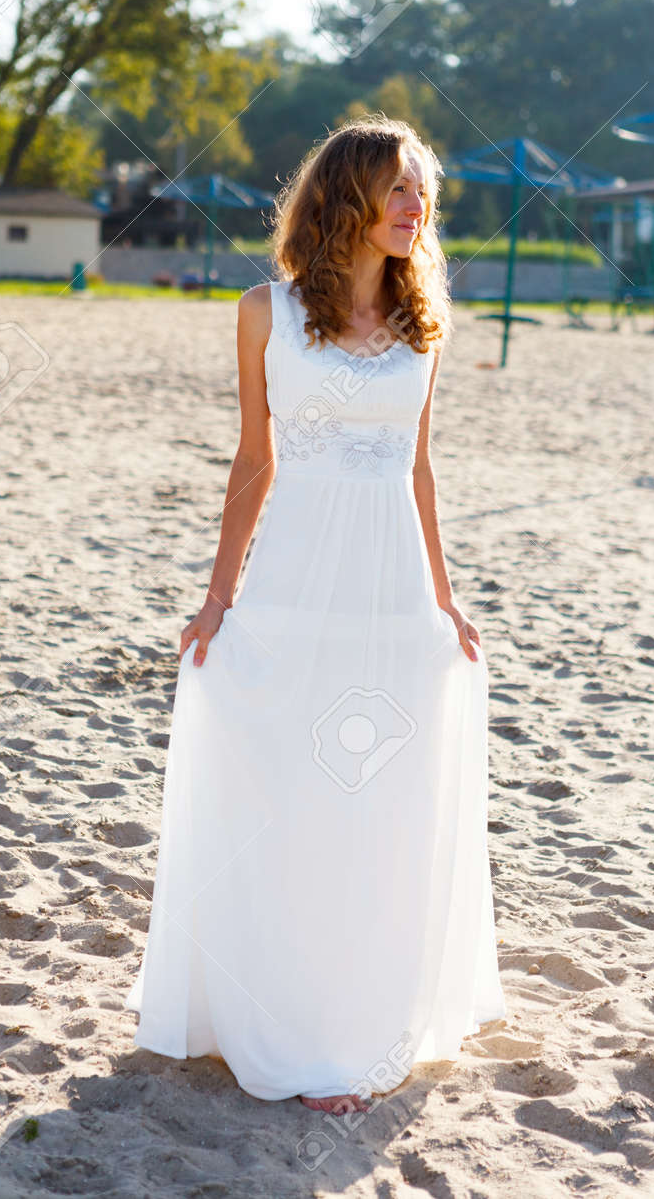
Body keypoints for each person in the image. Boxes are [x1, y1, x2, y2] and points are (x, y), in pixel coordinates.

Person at [124, 115, 507, 1116]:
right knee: (293, 791)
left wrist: (445, 595)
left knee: (380, 799)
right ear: (346, 197)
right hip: (295, 582)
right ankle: (284, 1018)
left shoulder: (428, 322)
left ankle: (361, 1021)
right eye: (396, 189)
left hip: (388, 592)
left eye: (421, 190)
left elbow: (420, 466)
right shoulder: (265, 312)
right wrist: (218, 598)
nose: (415, 207)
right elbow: (255, 461)